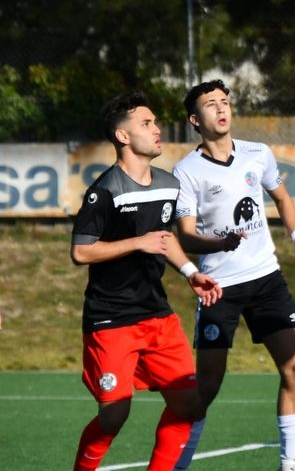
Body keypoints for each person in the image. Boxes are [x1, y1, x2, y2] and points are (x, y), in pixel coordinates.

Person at [171, 79, 295, 471]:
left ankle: (290, 467)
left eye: (224, 101)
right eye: (210, 104)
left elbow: (282, 198)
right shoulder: (186, 171)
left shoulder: (258, 153)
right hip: (220, 288)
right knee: (206, 389)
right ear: (194, 119)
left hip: (267, 279)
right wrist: (219, 245)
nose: (221, 109)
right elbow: (184, 236)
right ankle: (178, 465)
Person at [70, 90, 223, 471]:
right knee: (114, 415)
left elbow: (164, 239)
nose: (157, 129)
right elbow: (81, 252)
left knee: (188, 403)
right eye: (147, 123)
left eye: (155, 122)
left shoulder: (169, 184)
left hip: (157, 315)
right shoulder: (104, 191)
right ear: (123, 137)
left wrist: (191, 273)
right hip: (111, 319)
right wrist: (137, 242)